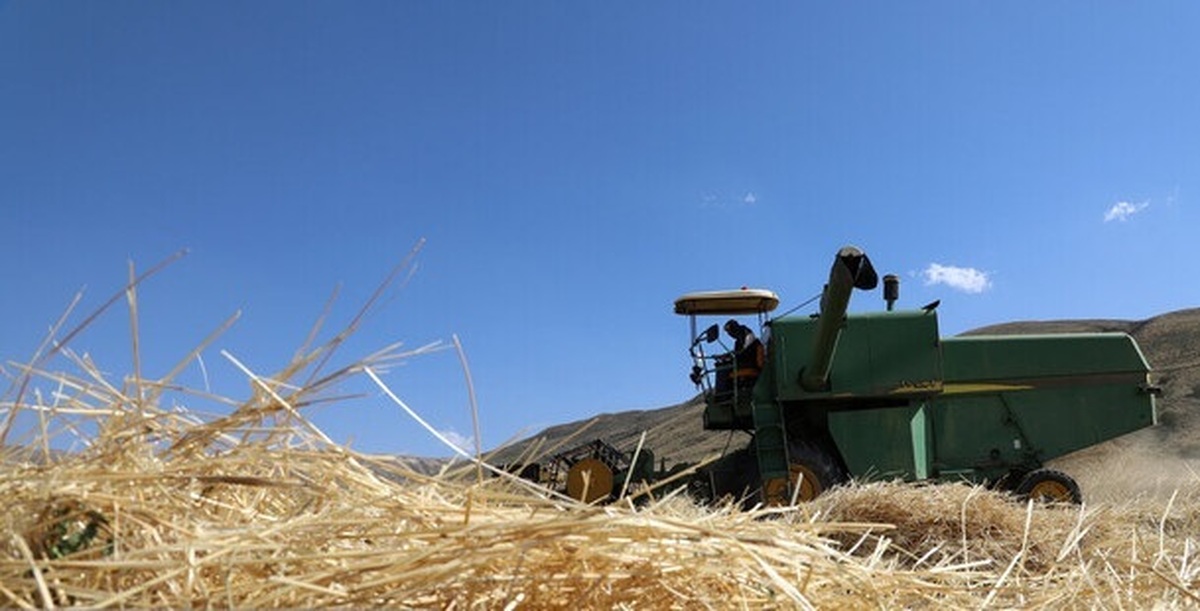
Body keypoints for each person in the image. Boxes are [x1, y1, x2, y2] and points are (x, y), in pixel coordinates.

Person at [724, 319, 765, 390]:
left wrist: (730, 356)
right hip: (744, 362)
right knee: (725, 368)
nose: (730, 334)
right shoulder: (738, 341)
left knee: (725, 373)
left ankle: (727, 395)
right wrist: (726, 356)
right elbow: (738, 352)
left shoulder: (746, 333)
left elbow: (744, 350)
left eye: (730, 331)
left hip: (751, 363)